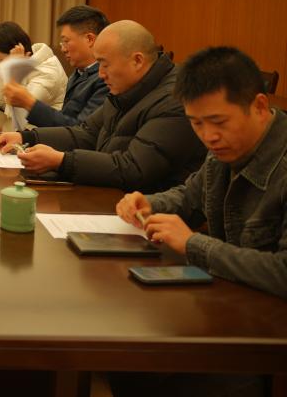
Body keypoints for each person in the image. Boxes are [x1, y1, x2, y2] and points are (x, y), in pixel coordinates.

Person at [115, 47, 286, 298]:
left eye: (219, 122)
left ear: (259, 107)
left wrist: (193, 244)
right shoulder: (223, 150)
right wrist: (150, 204)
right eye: (196, 123)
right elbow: (191, 197)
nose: (208, 136)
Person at [0, 20, 206, 192]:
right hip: (109, 193)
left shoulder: (174, 100)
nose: (101, 74)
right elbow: (86, 133)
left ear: (137, 61)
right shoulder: (126, 89)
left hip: (147, 210)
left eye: (105, 64)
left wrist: (62, 161)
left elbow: (134, 169)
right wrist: (27, 137)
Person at [2, 5, 109, 128]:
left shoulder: (105, 79)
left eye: (66, 41)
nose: (63, 49)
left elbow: (80, 130)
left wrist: (29, 103)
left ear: (89, 39)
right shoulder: (78, 73)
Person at [0, 21, 67, 123]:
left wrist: (16, 72)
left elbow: (15, 116)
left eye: (1, 59)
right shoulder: (25, 62)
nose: (0, 65)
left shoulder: (47, 73)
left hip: (41, 130)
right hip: (26, 127)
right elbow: (1, 102)